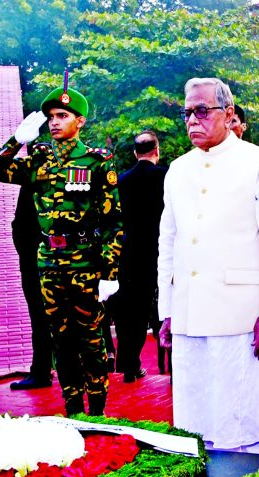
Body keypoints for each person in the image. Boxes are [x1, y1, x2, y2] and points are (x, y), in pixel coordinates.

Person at [157, 77, 259, 454]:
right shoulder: (178, 170)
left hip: (241, 316)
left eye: (202, 110)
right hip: (188, 313)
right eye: (187, 113)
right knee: (194, 422)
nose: (192, 120)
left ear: (229, 114)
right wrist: (166, 311)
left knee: (245, 421)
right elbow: (167, 245)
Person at [0, 80, 123, 416]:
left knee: (91, 341)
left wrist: (110, 272)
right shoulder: (38, 162)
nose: (55, 122)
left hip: (86, 264)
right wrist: (16, 141)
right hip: (49, 263)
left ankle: (98, 412)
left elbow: (113, 223)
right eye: (51, 117)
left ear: (80, 121)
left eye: (63, 115)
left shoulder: (97, 162)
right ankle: (73, 410)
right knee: (61, 342)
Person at [115, 131, 168, 382]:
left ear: (135, 153)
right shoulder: (167, 177)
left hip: (132, 255)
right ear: (157, 150)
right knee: (167, 307)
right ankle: (172, 366)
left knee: (133, 312)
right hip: (163, 252)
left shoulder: (122, 181)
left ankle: (129, 366)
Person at [9, 186, 55, 390]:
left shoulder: (32, 183)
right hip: (66, 261)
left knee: (40, 318)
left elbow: (21, 227)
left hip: (35, 262)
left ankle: (41, 371)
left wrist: (26, 256)